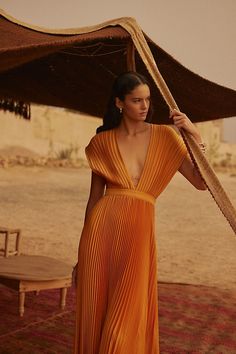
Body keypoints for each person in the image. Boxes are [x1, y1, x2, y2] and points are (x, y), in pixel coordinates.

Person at [74, 71, 207, 354]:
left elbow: (201, 182)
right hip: (101, 234)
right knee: (97, 312)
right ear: (119, 103)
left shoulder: (165, 136)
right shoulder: (101, 142)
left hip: (139, 235)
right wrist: (80, 255)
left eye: (147, 100)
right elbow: (94, 200)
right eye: (137, 100)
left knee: (125, 320)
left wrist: (195, 135)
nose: (145, 106)